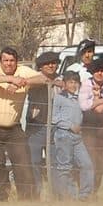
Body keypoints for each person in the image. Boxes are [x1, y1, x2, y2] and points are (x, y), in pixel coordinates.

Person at [0, 47, 48, 200]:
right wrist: (11, 80)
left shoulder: (23, 71)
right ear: (1, 61)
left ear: (16, 62)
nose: (9, 64)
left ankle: (27, 199)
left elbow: (43, 79)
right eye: (6, 60)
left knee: (23, 162)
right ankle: (2, 198)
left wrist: (22, 82)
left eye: (12, 61)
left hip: (14, 127)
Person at [51, 71, 93, 200]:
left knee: (87, 164)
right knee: (64, 167)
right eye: (70, 82)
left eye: (75, 82)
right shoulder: (59, 98)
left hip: (77, 137)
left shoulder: (78, 98)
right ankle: (67, 196)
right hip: (64, 135)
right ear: (64, 84)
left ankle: (84, 195)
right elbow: (53, 118)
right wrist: (70, 125)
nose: (73, 85)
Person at [26, 51, 62, 192]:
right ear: (40, 66)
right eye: (47, 64)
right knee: (34, 161)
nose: (51, 66)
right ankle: (37, 192)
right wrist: (47, 81)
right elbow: (28, 83)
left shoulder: (61, 79)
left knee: (54, 161)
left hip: (55, 126)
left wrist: (55, 82)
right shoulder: (34, 78)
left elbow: (68, 85)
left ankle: (56, 193)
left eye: (54, 63)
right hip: (36, 125)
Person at [78, 57, 103, 194]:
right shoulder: (85, 84)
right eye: (96, 70)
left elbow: (92, 105)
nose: (99, 73)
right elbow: (84, 106)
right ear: (92, 72)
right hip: (89, 126)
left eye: (102, 71)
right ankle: (91, 191)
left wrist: (99, 103)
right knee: (91, 158)